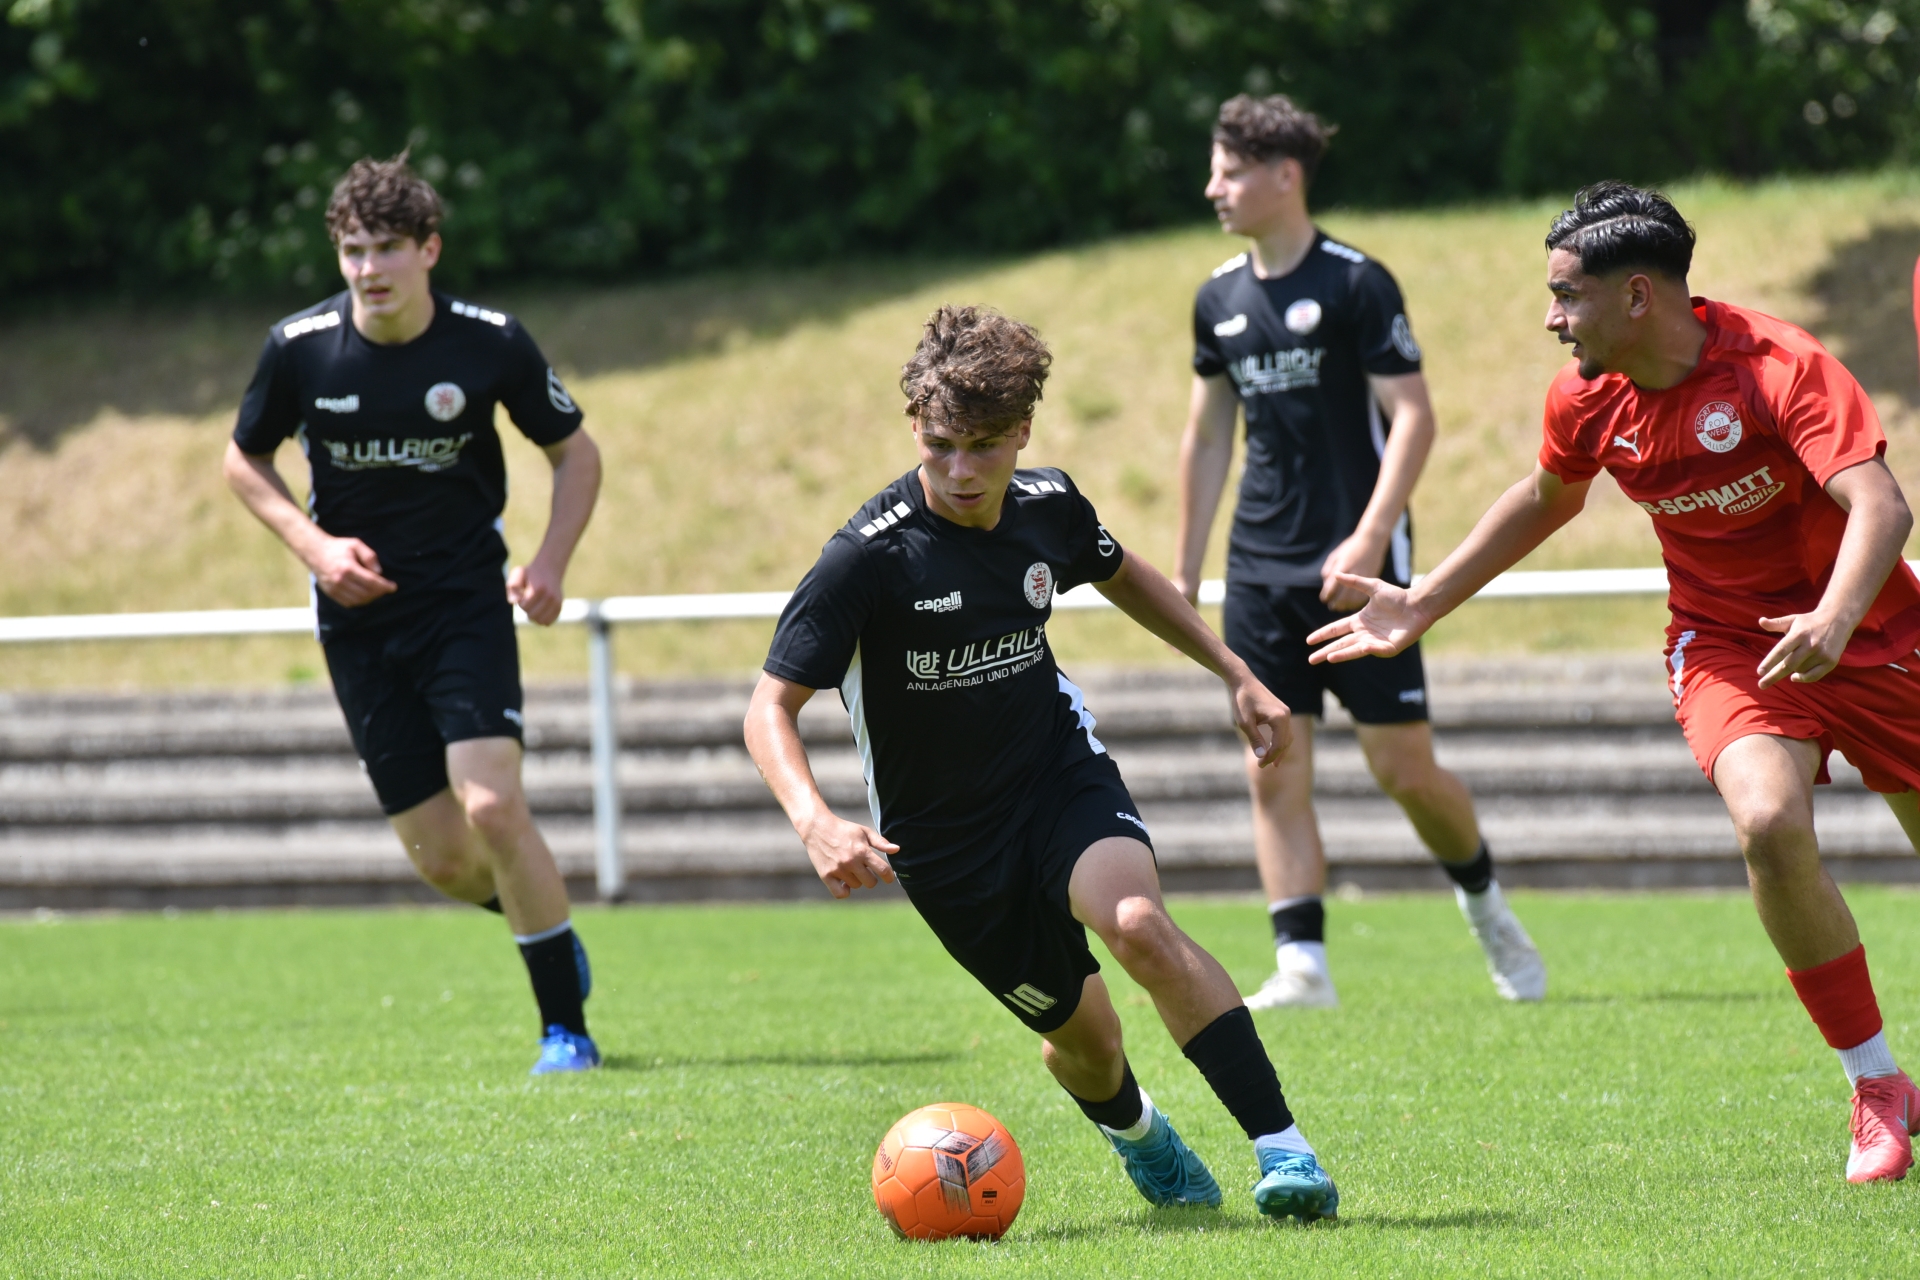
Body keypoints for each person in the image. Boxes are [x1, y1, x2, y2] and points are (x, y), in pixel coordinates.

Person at [1311, 180, 1920, 1183]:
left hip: (1871, 631)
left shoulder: (1778, 366)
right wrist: (1421, 603)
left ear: (1638, 295)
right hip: (1728, 645)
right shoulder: (1587, 397)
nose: (1553, 319)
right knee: (1768, 821)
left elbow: (1881, 506)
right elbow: (1547, 497)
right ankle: (1876, 1084)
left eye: (1567, 296)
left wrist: (1835, 617)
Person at [744, 305, 1339, 1221]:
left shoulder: (1047, 507)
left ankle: (1284, 1150)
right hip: (945, 846)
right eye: (940, 445)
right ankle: (1142, 1135)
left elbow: (1122, 571)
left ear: (1022, 431)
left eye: (984, 446)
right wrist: (814, 820)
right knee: (1088, 1044)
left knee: (1139, 925)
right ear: (915, 427)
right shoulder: (866, 560)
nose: (960, 470)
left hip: (1056, 777)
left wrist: (1235, 671)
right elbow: (768, 710)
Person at [223, 153, 604, 1076]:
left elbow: (576, 453)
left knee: (492, 805)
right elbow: (243, 460)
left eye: (389, 247)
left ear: (429, 249)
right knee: (443, 861)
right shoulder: (299, 348)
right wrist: (315, 549)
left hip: (465, 604)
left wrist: (550, 563)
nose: (370, 268)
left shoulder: (490, 343)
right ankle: (546, 929)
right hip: (356, 624)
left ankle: (565, 1029)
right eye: (354, 250)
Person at [1174, 94, 1545, 1009]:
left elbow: (1413, 415)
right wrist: (1185, 571)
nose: (1214, 188)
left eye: (1230, 172)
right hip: (1259, 570)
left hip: (1361, 572)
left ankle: (1486, 905)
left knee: (1403, 770)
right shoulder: (1217, 299)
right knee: (1272, 761)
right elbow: (1208, 438)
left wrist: (1373, 532)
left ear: (1284, 176)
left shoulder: (1356, 284)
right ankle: (1302, 963)